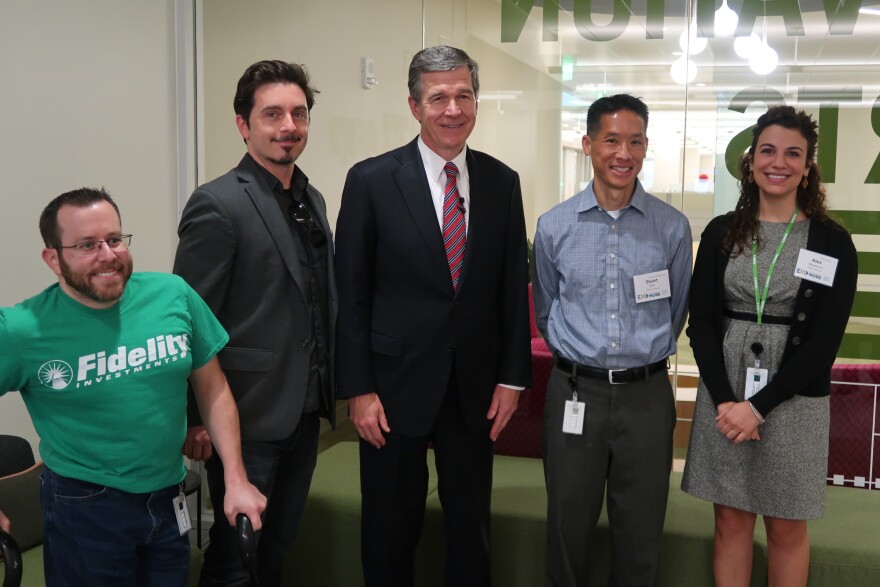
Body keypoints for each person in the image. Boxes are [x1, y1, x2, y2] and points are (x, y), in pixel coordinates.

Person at [334, 45, 531, 587]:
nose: (453, 109)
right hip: (391, 387)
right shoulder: (371, 180)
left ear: (476, 101)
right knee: (390, 529)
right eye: (438, 97)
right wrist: (358, 388)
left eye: (464, 95)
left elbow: (513, 290)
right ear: (414, 105)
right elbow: (349, 292)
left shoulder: (501, 181)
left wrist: (513, 378)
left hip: (473, 388)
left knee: (471, 532)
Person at [0, 188, 266, 587]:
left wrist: (236, 478)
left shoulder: (173, 295)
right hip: (84, 507)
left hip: (169, 494)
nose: (107, 255)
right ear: (52, 258)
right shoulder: (22, 329)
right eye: (87, 245)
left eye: (113, 239)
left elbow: (213, 388)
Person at [173, 59, 336, 587]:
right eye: (272, 114)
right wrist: (192, 418)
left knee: (277, 549)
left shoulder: (311, 199)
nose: (288, 125)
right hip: (243, 416)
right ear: (244, 124)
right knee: (234, 559)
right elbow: (189, 319)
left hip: (305, 413)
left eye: (298, 113)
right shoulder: (217, 204)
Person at [681, 106, 858, 586]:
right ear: (751, 160)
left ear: (807, 166)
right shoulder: (721, 231)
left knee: (785, 526)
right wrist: (726, 403)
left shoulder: (831, 241)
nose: (778, 162)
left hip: (793, 398)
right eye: (768, 150)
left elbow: (824, 343)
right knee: (730, 521)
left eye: (792, 153)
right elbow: (702, 325)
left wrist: (757, 408)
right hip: (725, 394)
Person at [532, 94, 693, 586]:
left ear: (645, 148)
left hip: (646, 396)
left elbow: (677, 309)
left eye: (636, 141)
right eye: (612, 140)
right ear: (588, 145)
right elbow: (545, 310)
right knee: (566, 525)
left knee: (641, 531)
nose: (624, 153)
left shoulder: (671, 227)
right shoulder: (553, 225)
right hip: (575, 393)